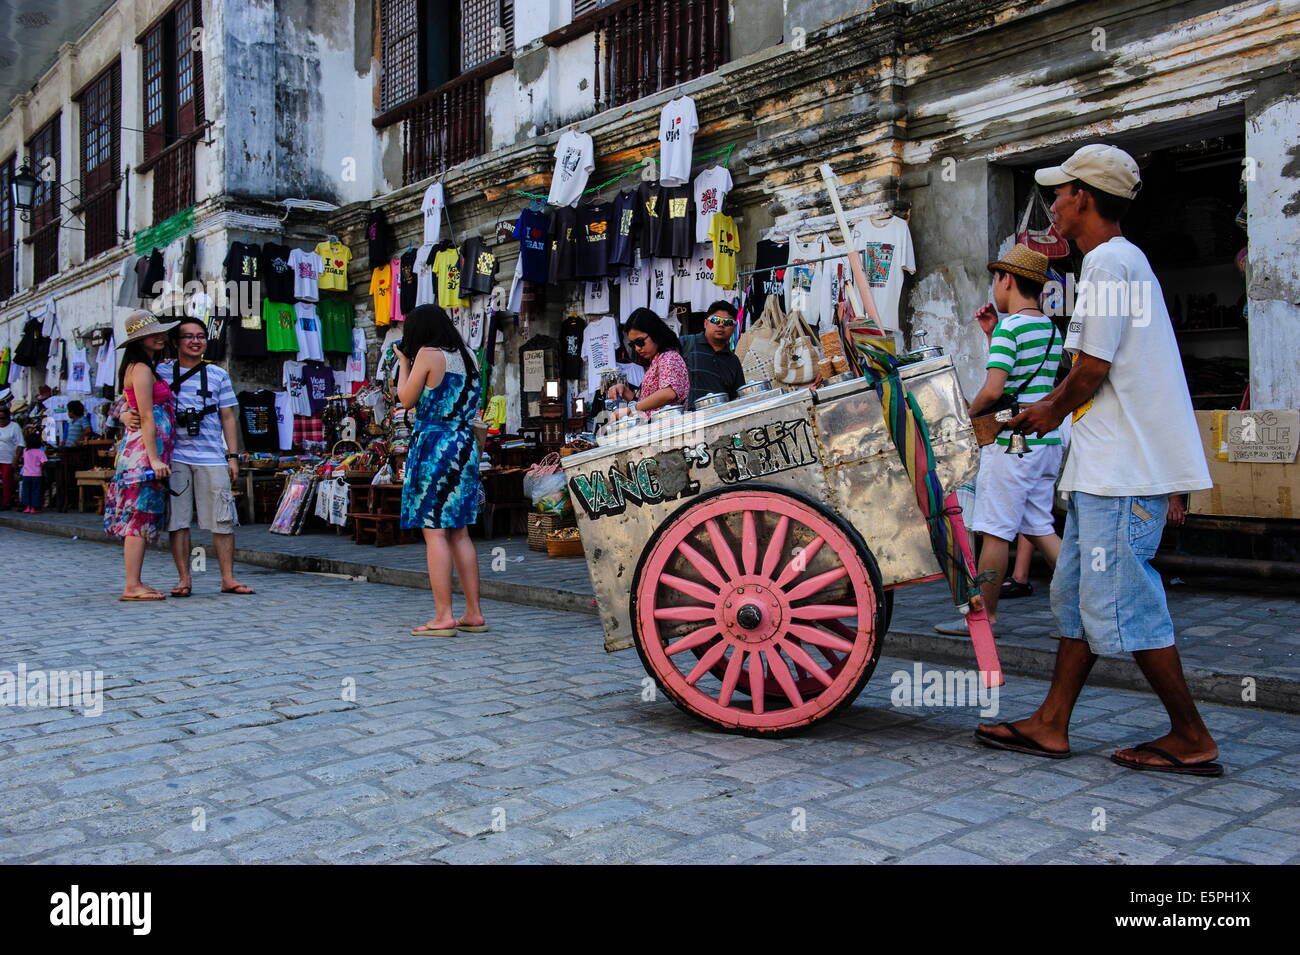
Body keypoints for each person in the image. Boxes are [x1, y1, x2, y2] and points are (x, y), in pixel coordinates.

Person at [976, 144, 1220, 776]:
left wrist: (1042, 414)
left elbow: (1089, 374)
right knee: (1078, 594)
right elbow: (1084, 373)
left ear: (1083, 196)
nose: (1053, 205)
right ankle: (1052, 722)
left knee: (1126, 601)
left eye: (1059, 194)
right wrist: (1050, 407)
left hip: (1123, 471)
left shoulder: (1110, 264)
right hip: (1106, 467)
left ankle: (1191, 734)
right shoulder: (1111, 266)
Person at [937, 244, 1063, 637]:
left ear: (1006, 280)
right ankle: (1084, 608)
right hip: (1045, 443)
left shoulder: (1012, 327)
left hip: (1013, 445)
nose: (994, 288)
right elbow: (1024, 378)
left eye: (995, 279)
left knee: (994, 530)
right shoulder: (1048, 327)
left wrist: (965, 417)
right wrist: (993, 334)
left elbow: (994, 392)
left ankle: (985, 616)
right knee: (1040, 526)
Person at [124, 317, 253, 596]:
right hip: (175, 455)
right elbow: (130, 399)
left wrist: (232, 455)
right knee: (178, 521)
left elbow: (229, 416)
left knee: (222, 519)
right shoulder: (158, 371)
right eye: (188, 337)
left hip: (211, 455)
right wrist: (123, 414)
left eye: (201, 336)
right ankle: (185, 578)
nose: (196, 341)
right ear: (175, 342)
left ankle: (228, 578)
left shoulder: (218, 374)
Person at [395, 304, 487, 637]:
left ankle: (443, 614)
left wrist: (404, 363)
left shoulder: (428, 355)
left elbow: (406, 399)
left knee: (434, 532)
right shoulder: (470, 357)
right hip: (464, 446)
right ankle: (474, 612)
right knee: (459, 531)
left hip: (434, 446)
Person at [103, 310, 178, 601]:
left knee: (141, 517)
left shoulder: (143, 366)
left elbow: (130, 407)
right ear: (139, 340)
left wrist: (122, 413)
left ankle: (135, 582)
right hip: (144, 453)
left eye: (161, 331)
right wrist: (155, 459)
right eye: (152, 333)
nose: (160, 336)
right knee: (138, 517)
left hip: (145, 450)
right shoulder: (142, 369)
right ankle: (132, 585)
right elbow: (146, 416)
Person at [605, 308, 690, 419]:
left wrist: (630, 409)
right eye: (633, 344)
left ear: (655, 333)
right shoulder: (657, 359)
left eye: (640, 342)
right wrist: (626, 392)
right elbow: (646, 405)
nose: (637, 348)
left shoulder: (669, 357)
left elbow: (669, 393)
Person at [680, 300, 746, 409]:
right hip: (687, 420)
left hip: (719, 420)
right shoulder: (685, 344)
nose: (721, 325)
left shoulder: (733, 361)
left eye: (728, 322)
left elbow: (737, 398)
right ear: (706, 323)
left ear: (734, 328)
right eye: (716, 320)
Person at [0, 406, 22, 510]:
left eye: (3, 418)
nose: (1, 421)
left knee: (7, 481)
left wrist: (16, 459)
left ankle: (6, 502)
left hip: (8, 459)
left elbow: (20, 444)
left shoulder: (14, 426)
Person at [19, 432, 47, 513]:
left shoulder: (25, 451)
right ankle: (34, 508)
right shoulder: (40, 452)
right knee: (36, 491)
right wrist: (39, 466)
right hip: (37, 474)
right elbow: (43, 462)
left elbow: (24, 460)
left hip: (26, 474)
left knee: (26, 491)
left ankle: (27, 507)